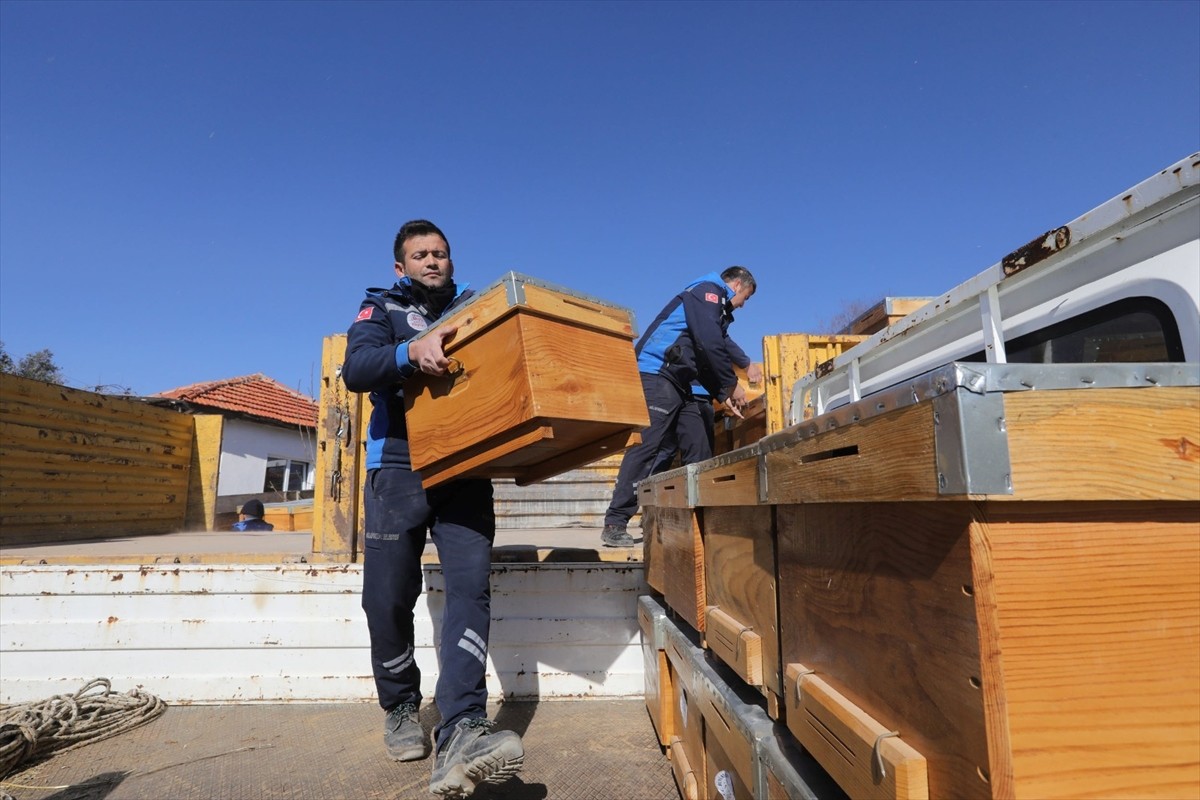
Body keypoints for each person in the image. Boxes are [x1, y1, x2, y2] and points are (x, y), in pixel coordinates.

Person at [341, 219, 523, 798]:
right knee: (387, 597)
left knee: (471, 591)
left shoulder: (476, 311)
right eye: (420, 254)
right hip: (398, 466)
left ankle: (463, 726)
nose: (432, 261)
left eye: (440, 253)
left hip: (466, 467)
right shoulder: (382, 309)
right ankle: (399, 705)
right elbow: (356, 370)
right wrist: (406, 350)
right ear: (401, 266)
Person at [601, 266, 757, 547]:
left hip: (681, 381)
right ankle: (615, 521)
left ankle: (695, 523)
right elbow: (710, 344)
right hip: (657, 373)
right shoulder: (706, 292)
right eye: (746, 297)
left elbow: (705, 356)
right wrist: (732, 383)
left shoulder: (715, 312)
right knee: (650, 447)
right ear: (736, 285)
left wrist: (725, 394)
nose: (743, 304)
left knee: (699, 450)